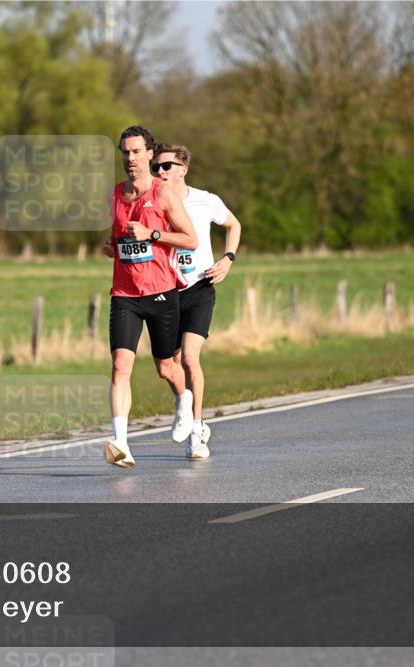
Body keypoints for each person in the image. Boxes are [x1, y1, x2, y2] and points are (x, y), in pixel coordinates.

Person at [100, 127, 199, 468]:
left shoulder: (163, 194)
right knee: (119, 366)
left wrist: (153, 233)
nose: (130, 158)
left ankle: (183, 400)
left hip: (161, 293)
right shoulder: (114, 195)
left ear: (149, 154)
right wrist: (111, 245)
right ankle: (121, 444)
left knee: (166, 367)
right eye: (125, 152)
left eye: (136, 152)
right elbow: (117, 238)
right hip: (125, 293)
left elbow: (191, 239)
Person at [152, 143, 242, 459]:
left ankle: (198, 430)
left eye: (166, 166)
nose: (159, 172)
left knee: (190, 357)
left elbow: (234, 224)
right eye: (156, 167)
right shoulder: (152, 203)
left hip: (200, 288)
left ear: (183, 168)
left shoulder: (206, 200)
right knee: (168, 367)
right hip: (165, 291)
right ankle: (185, 407)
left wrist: (228, 259)